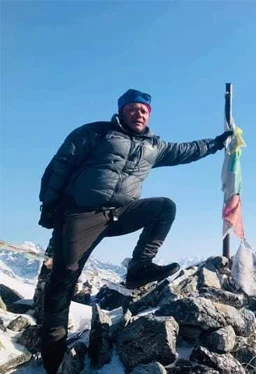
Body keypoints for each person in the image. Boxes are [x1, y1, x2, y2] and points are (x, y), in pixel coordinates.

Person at [37, 88, 232, 373]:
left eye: (143, 109)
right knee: (64, 276)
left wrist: (216, 143)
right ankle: (52, 352)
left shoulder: (155, 146)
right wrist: (49, 205)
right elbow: (60, 164)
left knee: (165, 207)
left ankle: (139, 267)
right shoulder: (95, 133)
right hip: (82, 213)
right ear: (121, 111)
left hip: (120, 214)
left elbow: (187, 151)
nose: (137, 113)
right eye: (132, 108)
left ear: (148, 114)